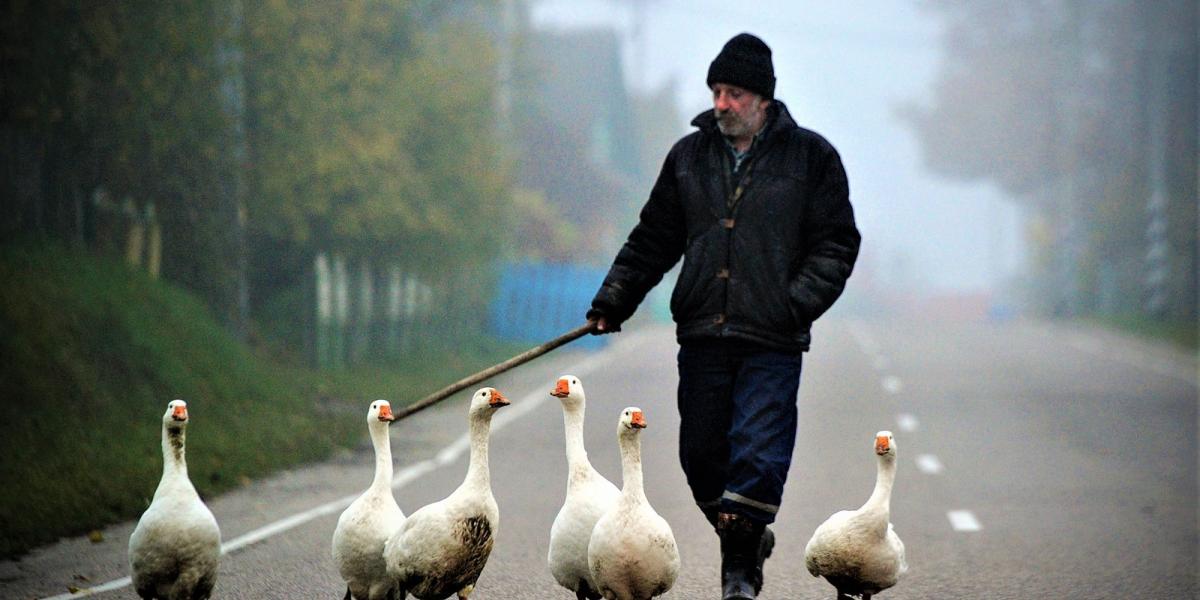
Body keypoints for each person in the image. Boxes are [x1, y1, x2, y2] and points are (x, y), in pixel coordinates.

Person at [585, 32, 861, 600]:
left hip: (772, 339)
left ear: (763, 98)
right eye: (717, 91)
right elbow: (654, 238)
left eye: (734, 92)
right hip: (703, 333)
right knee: (702, 458)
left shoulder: (812, 159)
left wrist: (796, 304)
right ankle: (748, 539)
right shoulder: (688, 158)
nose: (722, 103)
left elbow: (836, 244)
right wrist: (615, 300)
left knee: (757, 454)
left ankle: (739, 574)